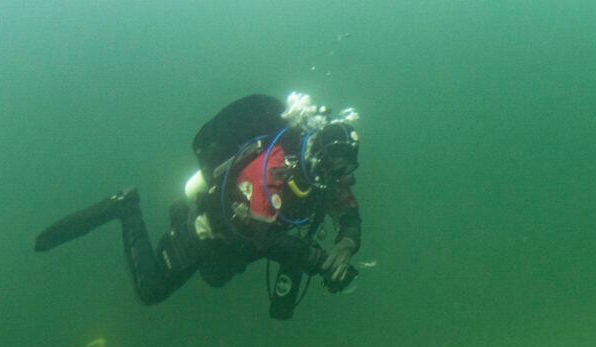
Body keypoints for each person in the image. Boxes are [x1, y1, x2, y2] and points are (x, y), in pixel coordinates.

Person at [34, 92, 364, 320]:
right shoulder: (273, 165)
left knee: (214, 276)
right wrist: (320, 261)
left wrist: (347, 243)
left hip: (241, 243)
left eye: (346, 170)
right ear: (318, 155)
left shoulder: (328, 176)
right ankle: (126, 206)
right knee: (150, 290)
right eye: (336, 167)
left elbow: (349, 213)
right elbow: (266, 237)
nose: (339, 178)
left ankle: (178, 212)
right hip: (213, 228)